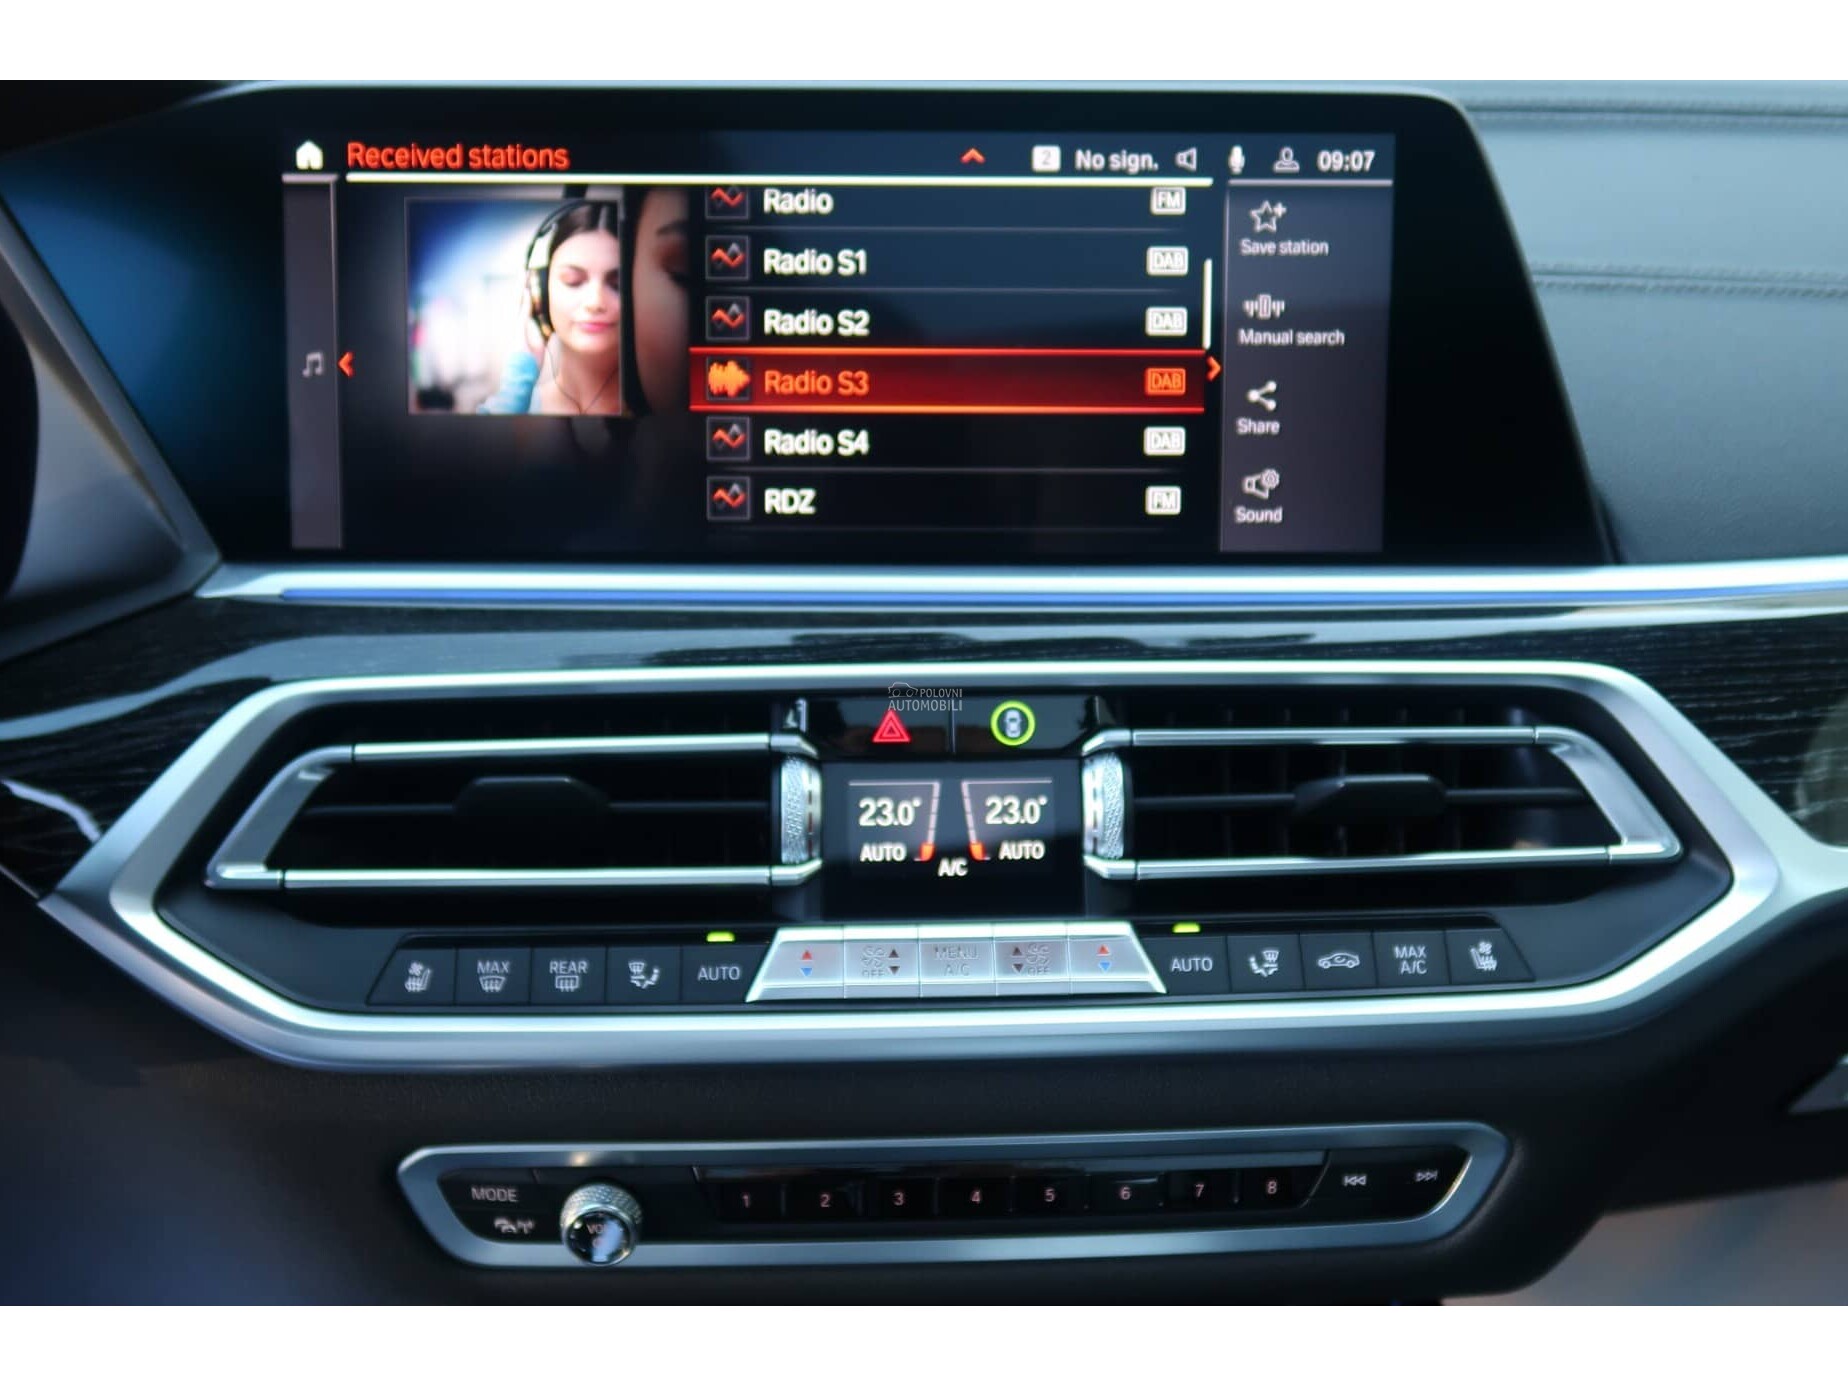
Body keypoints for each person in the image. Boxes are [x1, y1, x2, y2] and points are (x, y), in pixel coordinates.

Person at [478, 200, 625, 415]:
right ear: (541, 293)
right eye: (573, 281)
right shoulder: (514, 406)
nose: (595, 302)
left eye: (617, 285)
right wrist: (511, 402)